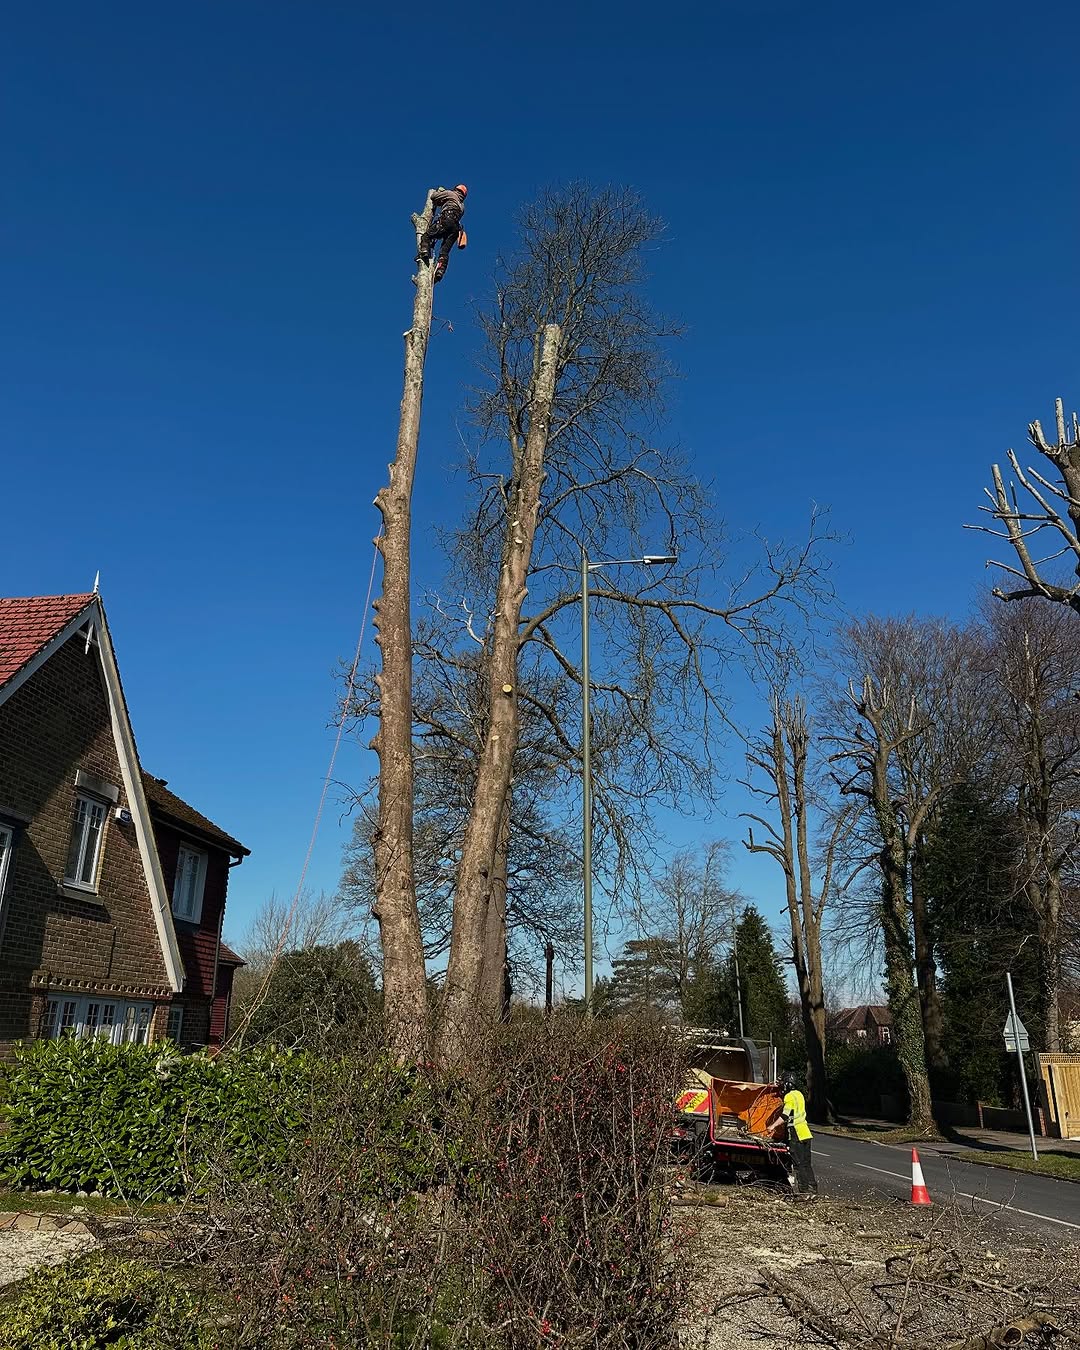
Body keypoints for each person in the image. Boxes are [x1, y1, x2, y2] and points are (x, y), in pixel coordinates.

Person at [418, 184, 468, 283]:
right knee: (444, 252)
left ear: (456, 189)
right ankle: (440, 270)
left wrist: (441, 193)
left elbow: (433, 197)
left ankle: (424, 251)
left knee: (427, 236)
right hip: (455, 229)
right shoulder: (462, 206)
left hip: (446, 220)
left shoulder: (450, 194)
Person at [780, 1073, 818, 1198]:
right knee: (807, 1163)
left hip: (795, 1133)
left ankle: (804, 1192)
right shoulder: (800, 1094)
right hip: (806, 1132)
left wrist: (771, 1126)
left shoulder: (789, 1097)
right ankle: (813, 1190)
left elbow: (785, 1116)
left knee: (798, 1164)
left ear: (788, 1084)